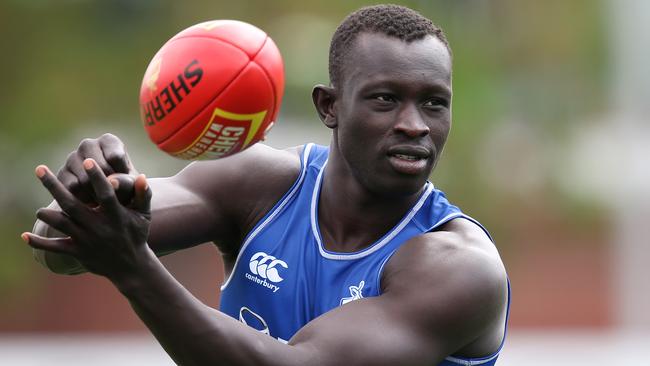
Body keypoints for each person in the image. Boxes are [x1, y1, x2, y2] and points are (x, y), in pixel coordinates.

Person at [23, 4, 510, 366]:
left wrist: (132, 268)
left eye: (433, 103)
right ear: (329, 107)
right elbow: (61, 251)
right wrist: (89, 202)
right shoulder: (257, 183)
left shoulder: (459, 268)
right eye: (385, 99)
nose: (414, 125)